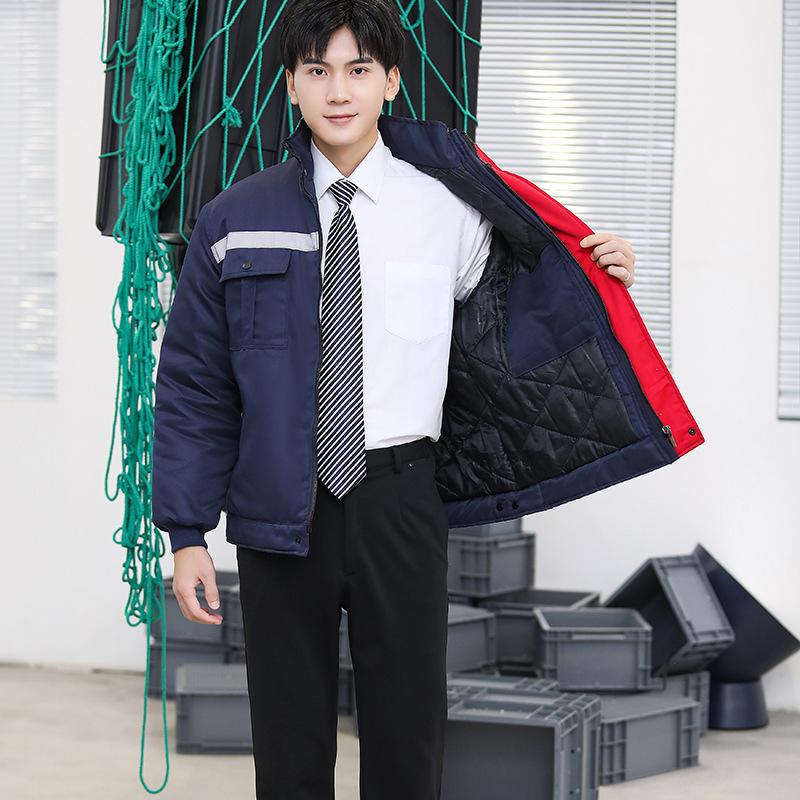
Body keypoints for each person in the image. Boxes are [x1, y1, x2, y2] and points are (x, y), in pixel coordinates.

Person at [153, 1, 637, 797]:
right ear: (290, 85)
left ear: (391, 82)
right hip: (280, 505)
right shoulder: (234, 219)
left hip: (402, 500)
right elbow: (195, 385)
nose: (338, 91)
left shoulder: (447, 206)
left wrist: (597, 272)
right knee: (288, 746)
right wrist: (186, 532)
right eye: (317, 71)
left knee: (408, 739)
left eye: (358, 69)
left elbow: (523, 310)